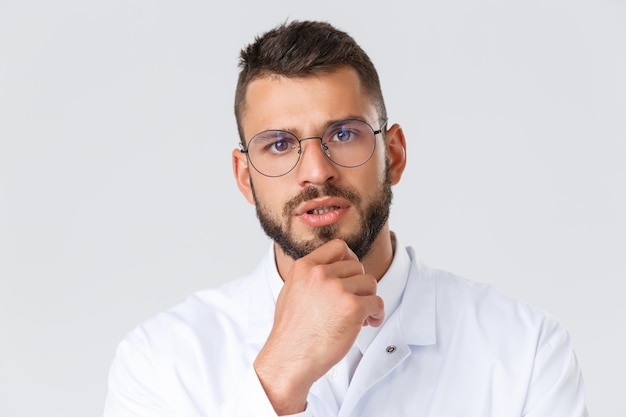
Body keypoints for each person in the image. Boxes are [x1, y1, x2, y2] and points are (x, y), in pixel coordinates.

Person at [103, 20, 588, 417]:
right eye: (279, 144)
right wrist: (276, 379)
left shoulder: (525, 350)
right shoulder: (159, 360)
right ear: (245, 176)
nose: (316, 172)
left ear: (392, 153)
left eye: (343, 135)